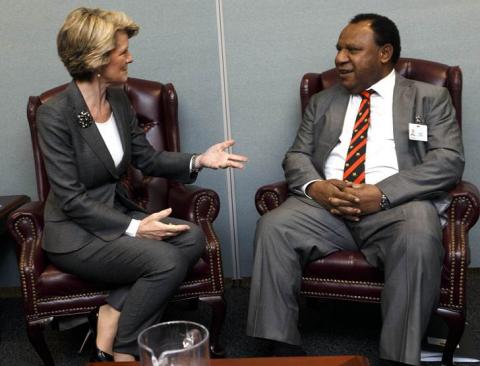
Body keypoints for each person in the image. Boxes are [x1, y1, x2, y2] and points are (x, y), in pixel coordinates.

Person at [246, 13, 464, 366]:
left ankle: (399, 358)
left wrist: (381, 193)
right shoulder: (323, 101)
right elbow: (297, 155)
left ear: (384, 53)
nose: (339, 58)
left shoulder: (429, 98)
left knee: (419, 233)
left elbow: (448, 161)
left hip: (396, 208)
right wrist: (317, 187)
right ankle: (281, 347)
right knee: (274, 226)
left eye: (352, 49)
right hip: (326, 208)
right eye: (338, 49)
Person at [37, 7, 247, 362]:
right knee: (165, 260)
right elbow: (71, 199)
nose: (130, 57)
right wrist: (136, 227)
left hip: (115, 217)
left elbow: (147, 159)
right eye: (122, 51)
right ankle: (125, 349)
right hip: (76, 233)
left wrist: (199, 160)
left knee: (192, 236)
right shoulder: (55, 114)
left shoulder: (117, 99)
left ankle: (112, 311)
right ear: (96, 58)